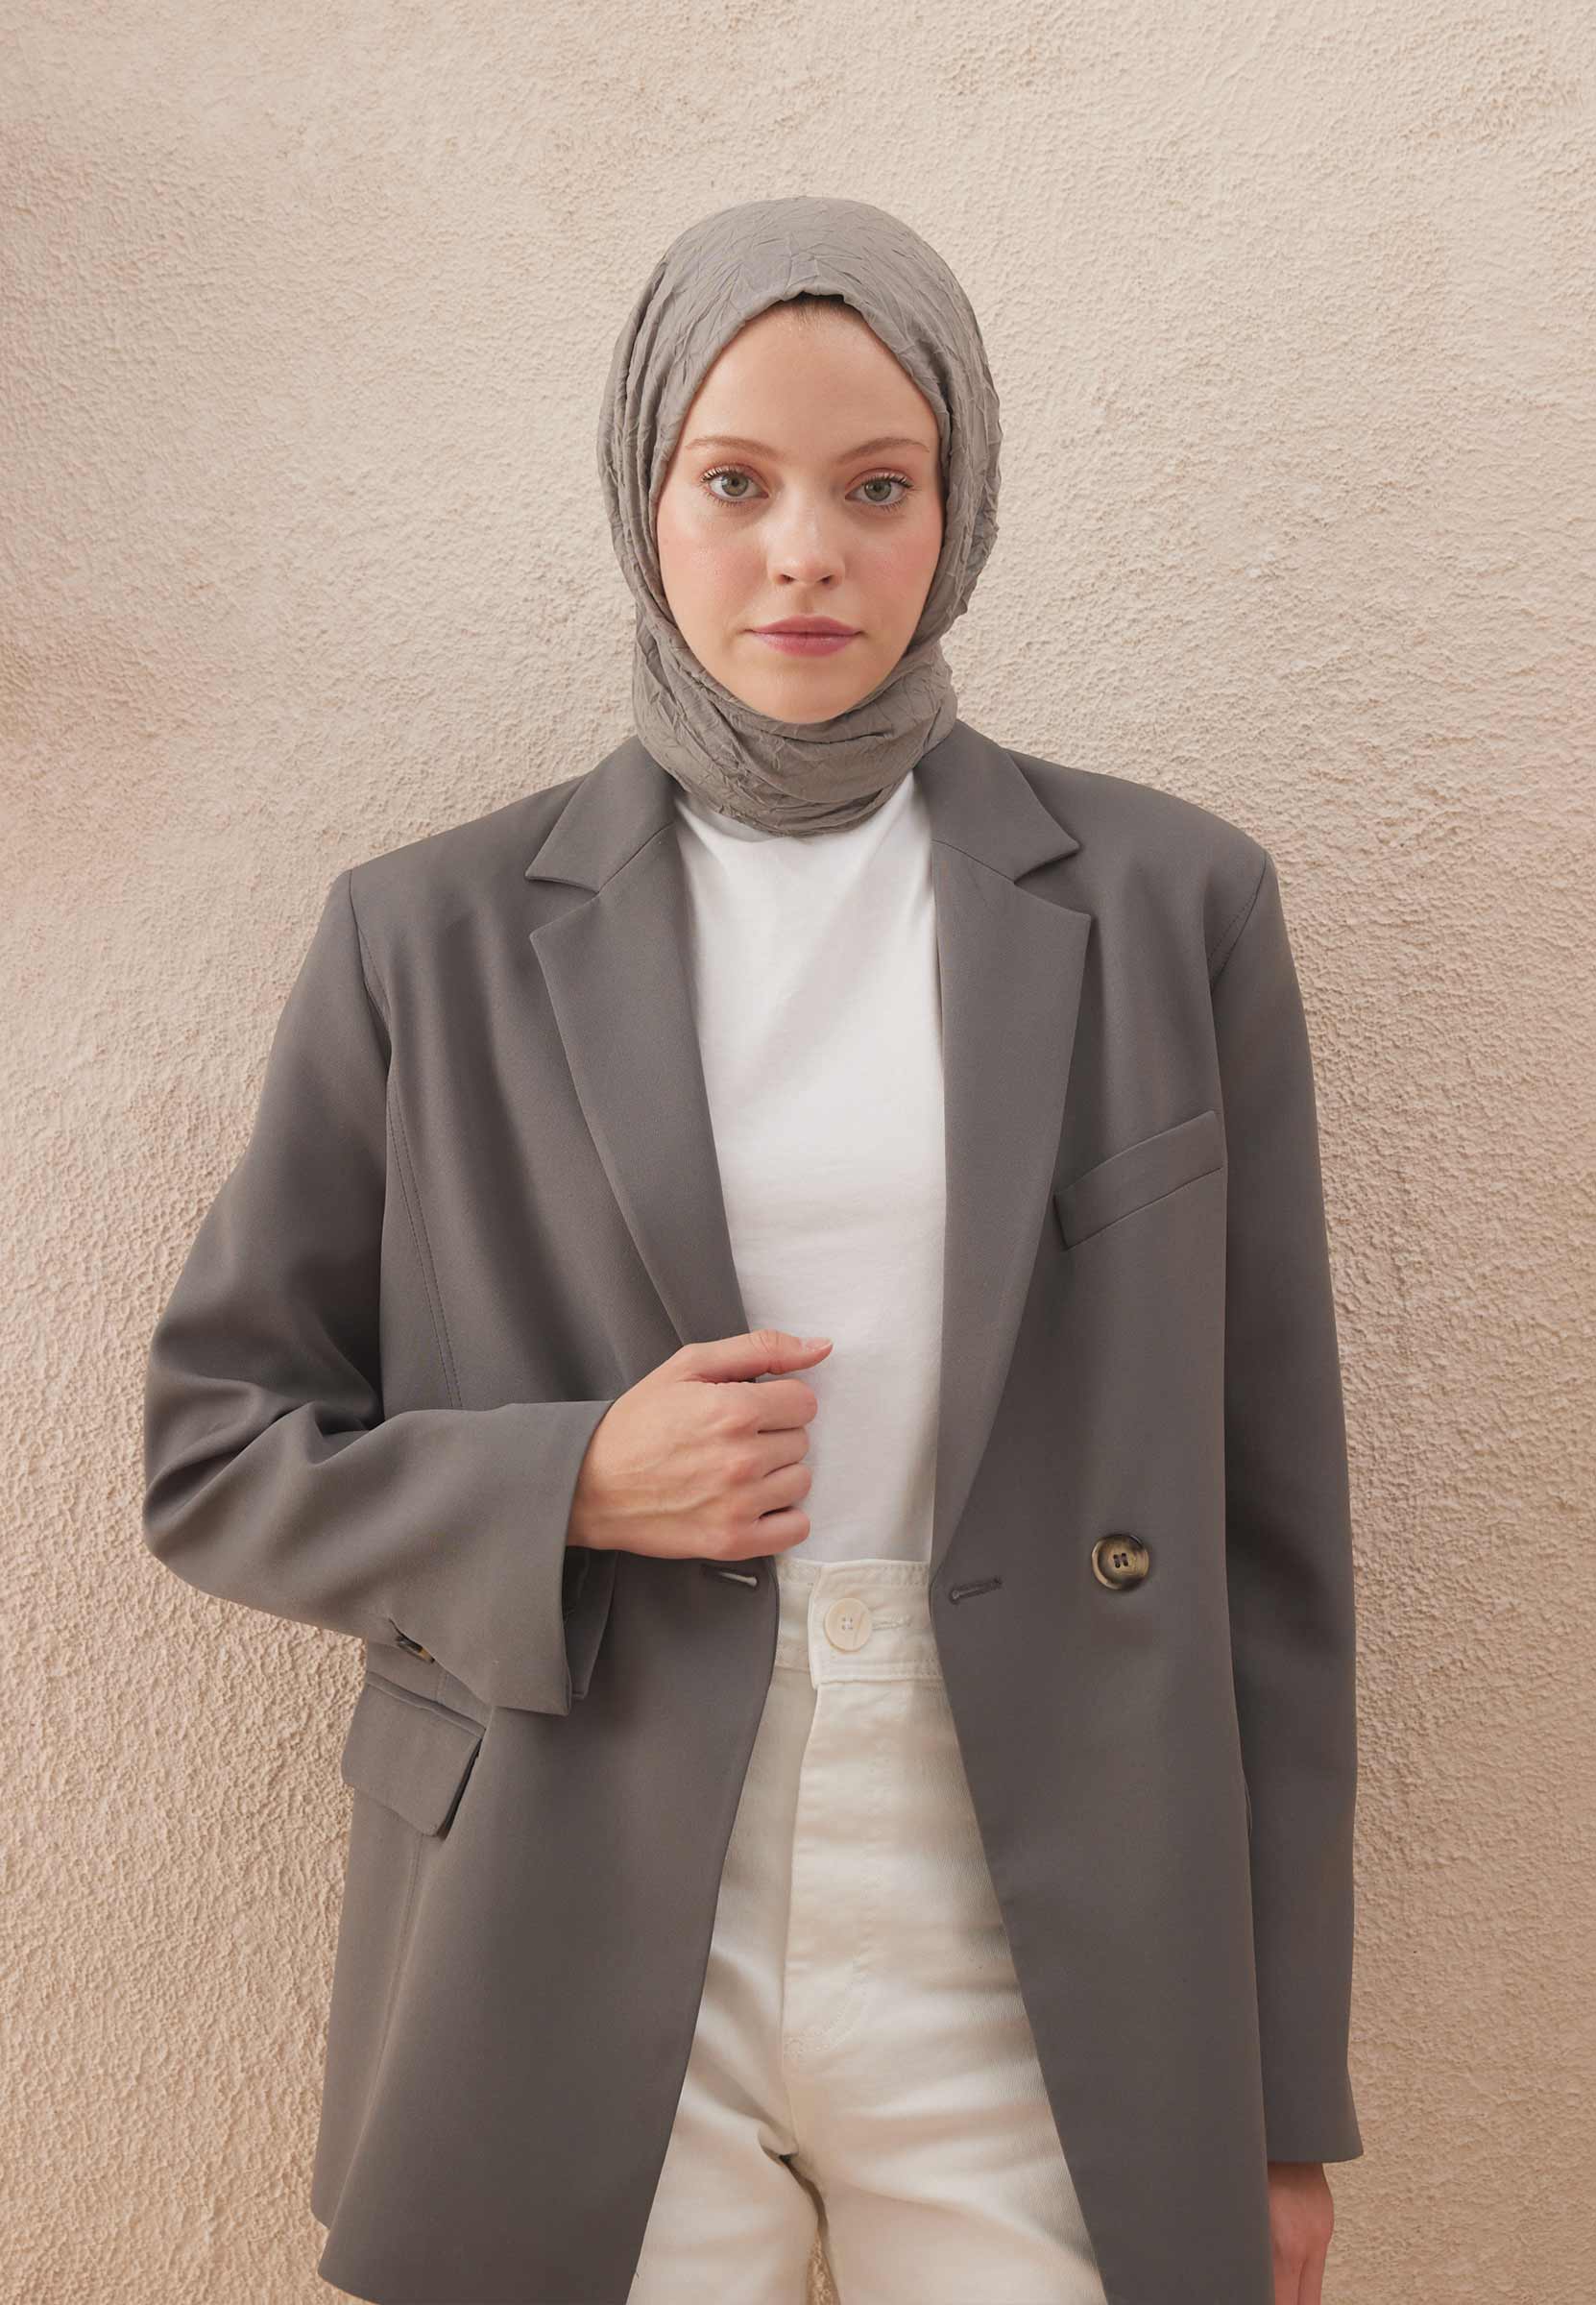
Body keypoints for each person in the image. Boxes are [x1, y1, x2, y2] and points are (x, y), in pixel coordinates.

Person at [143, 195, 1361, 2305]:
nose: (805, 551)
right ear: (647, 499)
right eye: (735, 483)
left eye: (877, 487)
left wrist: (1276, 2099)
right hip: (571, 1873)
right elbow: (213, 1451)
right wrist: (571, 1482)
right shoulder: (427, 935)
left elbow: (1274, 1541)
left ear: (957, 515)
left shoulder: (1173, 906)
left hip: (1043, 1895)